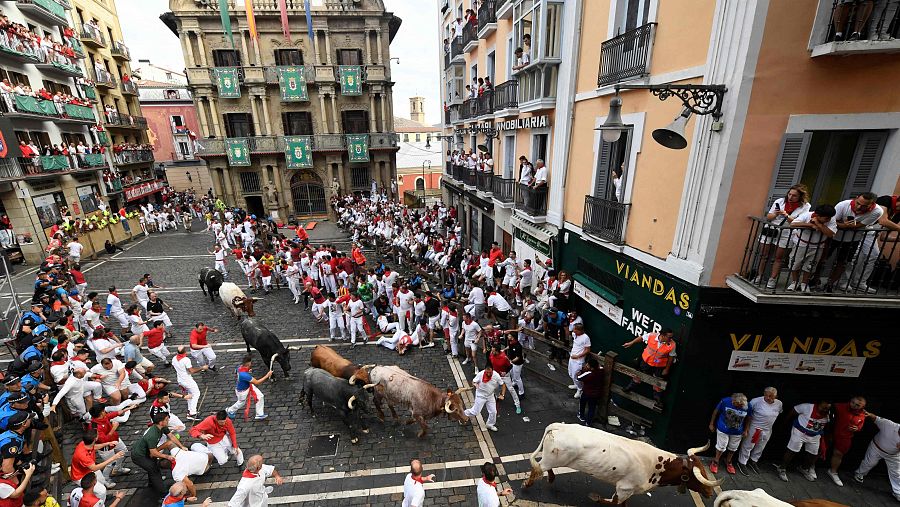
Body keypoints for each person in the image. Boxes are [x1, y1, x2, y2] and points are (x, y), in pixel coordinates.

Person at [754, 184, 811, 289]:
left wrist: (786, 215)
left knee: (779, 258)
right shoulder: (780, 201)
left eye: (794, 195)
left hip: (787, 233)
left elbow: (796, 222)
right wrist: (776, 214)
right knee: (763, 255)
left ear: (800, 197)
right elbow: (769, 217)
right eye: (789, 194)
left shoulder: (805, 207)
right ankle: (759, 276)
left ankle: (772, 279)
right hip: (770, 231)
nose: (790, 197)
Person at [775, 400, 832, 482]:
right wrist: (784, 423)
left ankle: (804, 468)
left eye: (827, 408)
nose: (824, 410)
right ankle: (782, 468)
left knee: (813, 454)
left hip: (815, 435)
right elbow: (792, 412)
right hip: (800, 432)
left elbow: (829, 426)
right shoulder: (806, 407)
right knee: (792, 450)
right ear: (818, 404)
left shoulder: (830, 414)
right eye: (823, 408)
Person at [787, 203, 837, 293]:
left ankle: (804, 284)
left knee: (810, 266)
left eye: (829, 218)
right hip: (801, 244)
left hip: (818, 246)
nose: (828, 220)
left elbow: (830, 234)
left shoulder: (831, 219)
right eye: (826, 218)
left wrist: (819, 224)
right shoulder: (807, 215)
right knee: (795, 264)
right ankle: (795, 282)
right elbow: (793, 224)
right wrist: (810, 225)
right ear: (818, 215)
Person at [131, 413, 185, 495]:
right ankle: (164, 493)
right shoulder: (152, 435)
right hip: (139, 456)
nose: (168, 421)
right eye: (166, 420)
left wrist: (182, 446)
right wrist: (167, 456)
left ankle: (152, 484)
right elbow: (153, 453)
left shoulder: (163, 427)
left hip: (148, 451)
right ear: (161, 422)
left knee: (152, 466)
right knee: (154, 471)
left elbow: (171, 437)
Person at [622, 328, 676, 407]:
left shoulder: (672, 344)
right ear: (663, 335)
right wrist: (631, 343)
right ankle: (629, 388)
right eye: (669, 337)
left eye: (672, 337)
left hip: (659, 366)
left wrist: (666, 369)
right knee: (638, 375)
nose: (671, 339)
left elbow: (671, 357)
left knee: (658, 382)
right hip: (646, 362)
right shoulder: (652, 335)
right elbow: (641, 338)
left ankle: (657, 399)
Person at [853, 412, 900, 502]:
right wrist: (869, 415)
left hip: (894, 456)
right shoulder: (889, 424)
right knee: (869, 463)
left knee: (897, 473)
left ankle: (898, 492)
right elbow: (876, 419)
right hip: (877, 447)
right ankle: (859, 473)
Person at [736, 387, 783, 475]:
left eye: (771, 396)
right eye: (767, 396)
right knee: (748, 445)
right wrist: (746, 428)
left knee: (760, 446)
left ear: (776, 396)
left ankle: (753, 460)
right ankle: (742, 462)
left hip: (768, 429)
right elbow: (748, 413)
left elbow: (779, 412)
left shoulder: (779, 403)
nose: (768, 398)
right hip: (755, 428)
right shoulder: (756, 401)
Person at [70, 430, 125, 502]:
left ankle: (100, 497)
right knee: (101, 491)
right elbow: (94, 468)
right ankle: (99, 503)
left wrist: (108, 443)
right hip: (81, 476)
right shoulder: (83, 455)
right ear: (95, 439)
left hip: (88, 470)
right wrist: (113, 458)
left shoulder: (84, 443)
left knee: (101, 481)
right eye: (97, 435)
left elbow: (95, 447)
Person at [827, 396, 867, 486]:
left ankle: (833, 472)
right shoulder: (840, 406)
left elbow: (860, 427)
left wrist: (857, 429)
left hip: (845, 437)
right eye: (852, 402)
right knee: (820, 449)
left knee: (838, 454)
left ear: (862, 407)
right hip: (830, 432)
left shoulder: (863, 415)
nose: (854, 405)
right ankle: (810, 467)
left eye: (857, 405)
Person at [708, 393, 752, 475]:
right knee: (721, 446)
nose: (739, 407)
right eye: (737, 405)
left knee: (733, 447)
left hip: (737, 431)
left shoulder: (748, 405)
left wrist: (746, 429)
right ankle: (715, 461)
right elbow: (716, 411)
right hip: (723, 428)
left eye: (741, 405)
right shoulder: (725, 401)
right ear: (733, 401)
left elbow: (749, 418)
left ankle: (728, 461)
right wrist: (711, 423)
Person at [226, 355, 272, 421]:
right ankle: (230, 410)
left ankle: (259, 414)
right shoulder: (245, 375)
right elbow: (257, 382)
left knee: (260, 396)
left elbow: (236, 371)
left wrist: (248, 370)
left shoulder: (239, 368)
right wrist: (267, 375)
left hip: (246, 386)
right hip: (243, 391)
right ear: (248, 363)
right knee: (241, 402)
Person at [172, 345, 209, 421]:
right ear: (185, 351)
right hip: (187, 380)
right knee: (196, 393)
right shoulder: (186, 360)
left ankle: (190, 410)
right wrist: (202, 368)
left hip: (180, 380)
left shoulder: (174, 358)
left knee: (190, 394)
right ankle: (192, 413)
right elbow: (191, 371)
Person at [463, 365, 501, 432]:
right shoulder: (480, 374)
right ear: (485, 370)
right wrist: (475, 384)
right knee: (475, 411)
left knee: (493, 412)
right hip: (481, 395)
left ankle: (490, 424)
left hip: (490, 396)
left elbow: (502, 384)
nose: (488, 374)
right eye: (487, 372)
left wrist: (502, 394)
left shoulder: (496, 375)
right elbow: (473, 381)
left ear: (492, 370)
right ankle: (463, 414)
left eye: (490, 373)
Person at [489, 344, 521, 415]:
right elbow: (490, 363)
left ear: (497, 351)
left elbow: (510, 366)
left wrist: (505, 372)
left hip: (505, 376)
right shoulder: (491, 354)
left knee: (511, 389)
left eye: (493, 351)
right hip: (496, 375)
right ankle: (498, 396)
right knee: (495, 387)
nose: (491, 352)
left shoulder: (504, 357)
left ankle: (517, 404)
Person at [567, 324, 592, 399]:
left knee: (576, 375)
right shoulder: (574, 334)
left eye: (575, 329)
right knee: (571, 373)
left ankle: (580, 390)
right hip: (572, 358)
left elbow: (587, 350)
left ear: (579, 330)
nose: (573, 330)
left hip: (578, 361)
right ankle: (576, 385)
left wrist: (577, 356)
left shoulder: (586, 338)